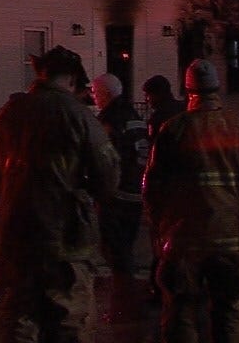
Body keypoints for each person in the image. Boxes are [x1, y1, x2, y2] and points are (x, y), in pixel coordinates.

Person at [0, 45, 120, 343]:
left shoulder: (10, 113)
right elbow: (107, 175)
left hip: (16, 238)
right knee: (69, 322)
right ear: (72, 79)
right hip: (64, 242)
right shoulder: (77, 114)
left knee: (21, 321)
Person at [143, 59, 239, 343]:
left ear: (188, 91)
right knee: (229, 313)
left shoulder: (173, 130)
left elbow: (153, 188)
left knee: (180, 312)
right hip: (230, 239)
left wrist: (160, 229)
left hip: (183, 239)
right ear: (217, 88)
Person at [91, 73, 150, 323]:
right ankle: (129, 304)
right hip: (136, 193)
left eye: (95, 93)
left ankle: (122, 308)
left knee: (116, 252)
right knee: (125, 249)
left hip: (116, 196)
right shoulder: (135, 117)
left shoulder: (108, 120)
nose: (94, 98)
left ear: (104, 94)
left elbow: (102, 159)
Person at [142, 73, 186, 300]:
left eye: (148, 96)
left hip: (166, 187)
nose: (148, 101)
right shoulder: (184, 111)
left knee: (161, 238)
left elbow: (154, 156)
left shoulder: (160, 118)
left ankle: (161, 285)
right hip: (186, 187)